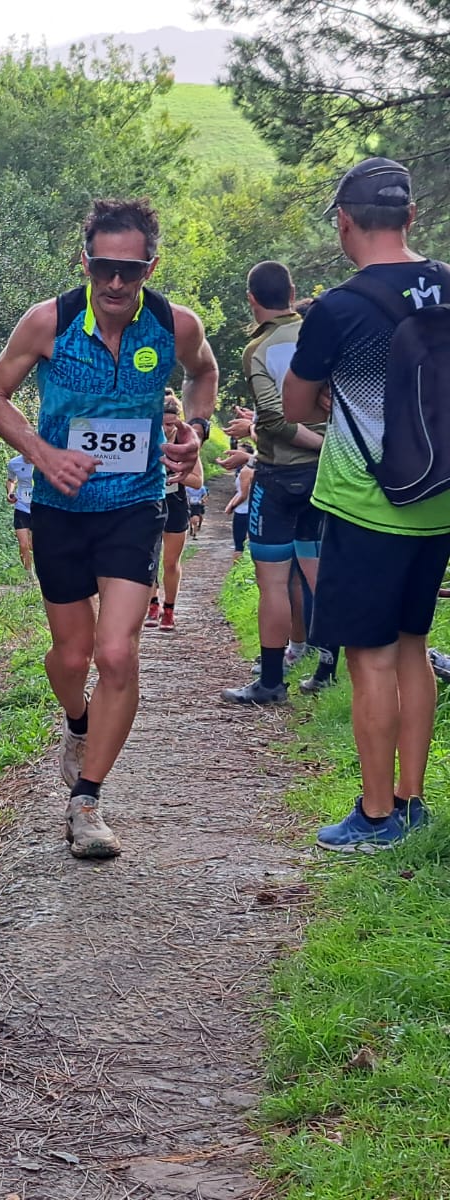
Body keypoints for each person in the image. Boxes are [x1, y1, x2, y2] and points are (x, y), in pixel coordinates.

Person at [0, 197, 218, 859]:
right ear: (84, 261)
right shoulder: (47, 322)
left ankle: (86, 801)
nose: (116, 283)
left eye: (130, 270)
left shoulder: (174, 325)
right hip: (60, 508)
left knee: (116, 654)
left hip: (134, 505)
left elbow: (205, 373)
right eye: (104, 267)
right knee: (72, 656)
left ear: (151, 266)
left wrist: (194, 430)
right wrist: (42, 454)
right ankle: (77, 722)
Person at [282, 158, 450, 851]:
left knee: (370, 660)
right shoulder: (447, 285)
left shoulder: (340, 308)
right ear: (411, 217)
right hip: (439, 501)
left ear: (344, 221)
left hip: (365, 505)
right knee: (414, 649)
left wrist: (333, 399)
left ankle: (376, 814)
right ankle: (413, 801)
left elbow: (293, 405)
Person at [222, 260, 335, 704]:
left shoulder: (260, 349)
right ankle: (327, 669)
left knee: (272, 581)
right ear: (292, 291)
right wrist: (328, 446)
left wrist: (310, 443)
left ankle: (271, 682)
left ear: (252, 300)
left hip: (279, 475)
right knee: (320, 571)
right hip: (326, 477)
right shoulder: (322, 334)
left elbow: (272, 415)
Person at [145, 397, 203, 632]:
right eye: (162, 423)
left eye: (171, 424)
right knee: (149, 559)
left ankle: (169, 609)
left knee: (170, 561)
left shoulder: (186, 443)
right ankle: (152, 604)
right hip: (149, 502)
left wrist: (175, 469)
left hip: (176, 502)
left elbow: (198, 481)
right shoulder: (148, 440)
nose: (166, 429)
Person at [7, 452, 35, 575]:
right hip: (21, 506)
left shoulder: (43, 461)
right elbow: (11, 480)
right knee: (23, 544)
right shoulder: (14, 463)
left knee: (33, 545)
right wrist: (10, 492)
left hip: (39, 508)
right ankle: (29, 576)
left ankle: (43, 574)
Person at [225, 452, 255, 556]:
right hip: (253, 509)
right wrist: (231, 503)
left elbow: (243, 495)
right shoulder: (256, 469)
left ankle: (236, 570)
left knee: (239, 545)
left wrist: (232, 506)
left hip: (243, 510)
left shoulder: (245, 471)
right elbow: (239, 491)